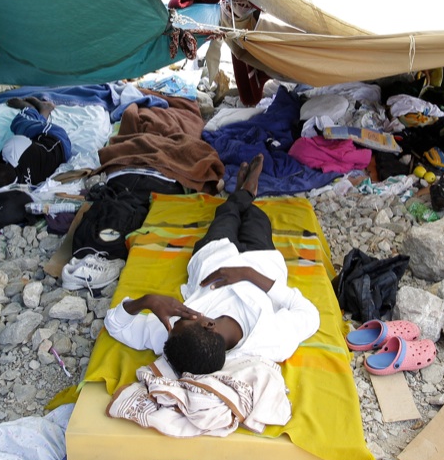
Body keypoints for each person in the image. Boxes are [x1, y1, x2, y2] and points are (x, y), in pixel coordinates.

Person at [103, 154, 319, 375]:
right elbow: (310, 314)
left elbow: (115, 325)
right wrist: (248, 273)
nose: (178, 317)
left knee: (226, 214)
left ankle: (242, 193)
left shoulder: (178, 337)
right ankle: (247, 193)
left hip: (214, 255)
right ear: (208, 324)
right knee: (257, 219)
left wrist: (147, 301)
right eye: (184, 318)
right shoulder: (270, 341)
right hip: (262, 262)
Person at [0, 97, 71, 190]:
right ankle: (33, 109)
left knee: (24, 130)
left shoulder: (18, 191)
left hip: (61, 153)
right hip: (56, 138)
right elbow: (20, 141)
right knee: (20, 123)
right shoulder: (13, 148)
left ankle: (38, 112)